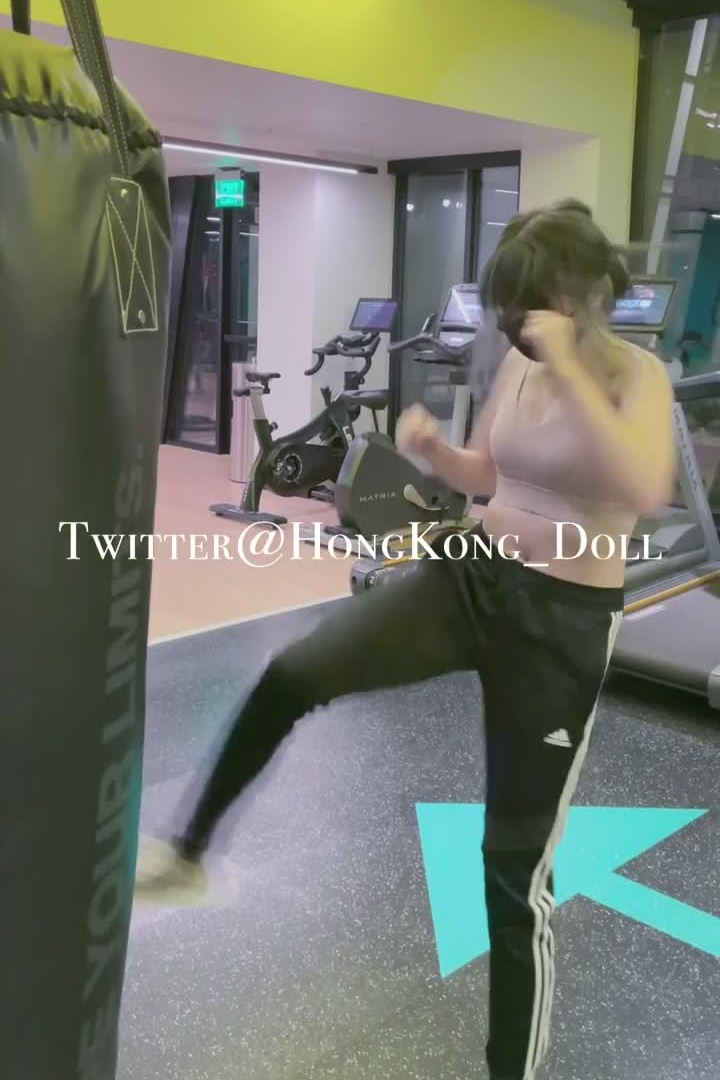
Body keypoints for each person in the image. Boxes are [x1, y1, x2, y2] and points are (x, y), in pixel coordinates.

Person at [136, 200, 675, 1080]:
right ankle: (189, 855)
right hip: (472, 573)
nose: (519, 331)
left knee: (513, 874)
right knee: (294, 670)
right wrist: (434, 453)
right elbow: (490, 472)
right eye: (510, 315)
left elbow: (645, 486)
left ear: (581, 296)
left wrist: (575, 371)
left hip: (563, 621)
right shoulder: (524, 365)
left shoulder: (635, 376)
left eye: (532, 310)